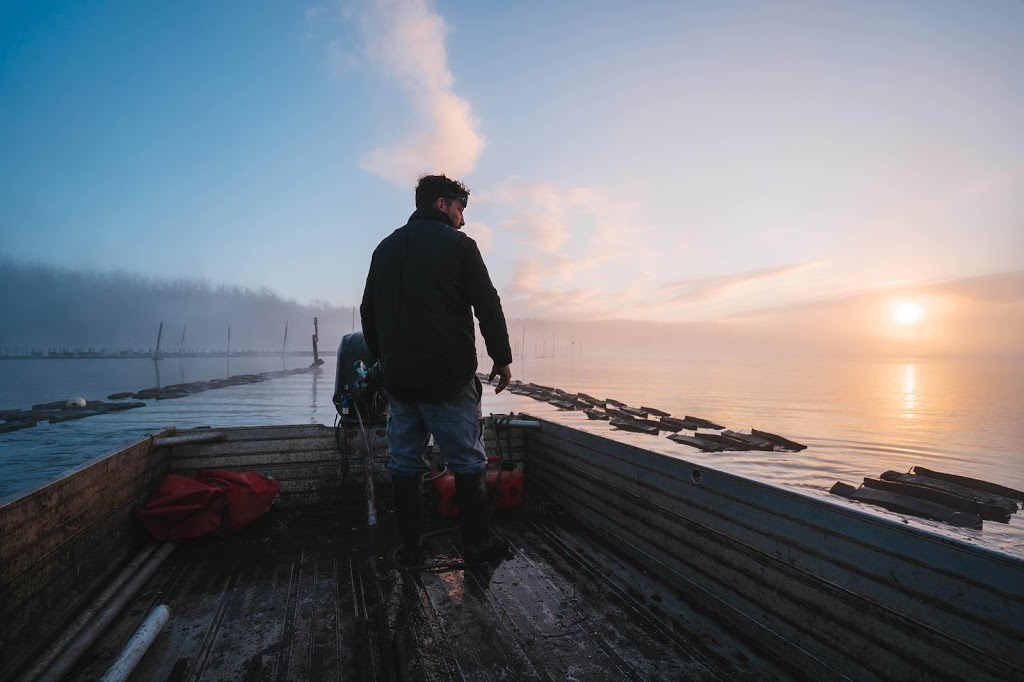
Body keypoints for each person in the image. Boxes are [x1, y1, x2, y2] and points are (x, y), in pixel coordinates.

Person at [360, 173, 514, 567]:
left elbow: (367, 312)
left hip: (401, 383)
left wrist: (385, 359)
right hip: (448, 380)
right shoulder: (460, 245)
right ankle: (476, 544)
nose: (463, 218)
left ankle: (411, 550)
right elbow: (487, 304)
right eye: (460, 208)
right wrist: (501, 356)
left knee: (405, 463)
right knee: (467, 461)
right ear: (441, 204)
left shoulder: (384, 249)